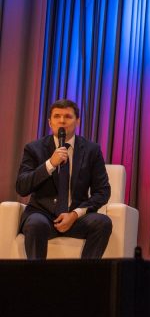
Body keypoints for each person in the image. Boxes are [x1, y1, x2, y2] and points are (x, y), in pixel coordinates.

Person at [15, 98, 112, 260]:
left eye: (68, 116)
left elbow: (102, 191)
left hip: (76, 218)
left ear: (77, 121)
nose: (62, 121)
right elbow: (22, 187)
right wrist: (50, 164)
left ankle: (84, 274)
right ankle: (36, 275)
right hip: (42, 215)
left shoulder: (92, 150)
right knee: (35, 224)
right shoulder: (33, 148)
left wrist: (74, 214)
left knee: (103, 222)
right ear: (50, 122)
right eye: (57, 116)